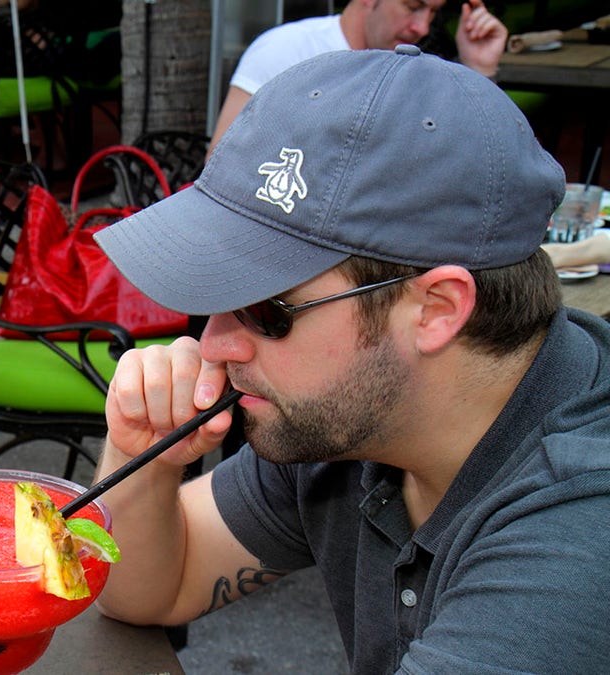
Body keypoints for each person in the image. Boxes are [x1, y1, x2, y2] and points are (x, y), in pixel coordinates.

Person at [93, 46, 609, 673]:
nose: (213, 345)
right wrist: (139, 450)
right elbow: (152, 590)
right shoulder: (351, 412)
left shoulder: (575, 546)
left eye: (268, 310)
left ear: (437, 309)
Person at [207, 0, 508, 155]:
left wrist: (479, 69)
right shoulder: (289, 48)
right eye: (412, 6)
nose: (422, 28)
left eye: (432, 12)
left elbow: (462, 162)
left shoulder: (412, 68)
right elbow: (221, 159)